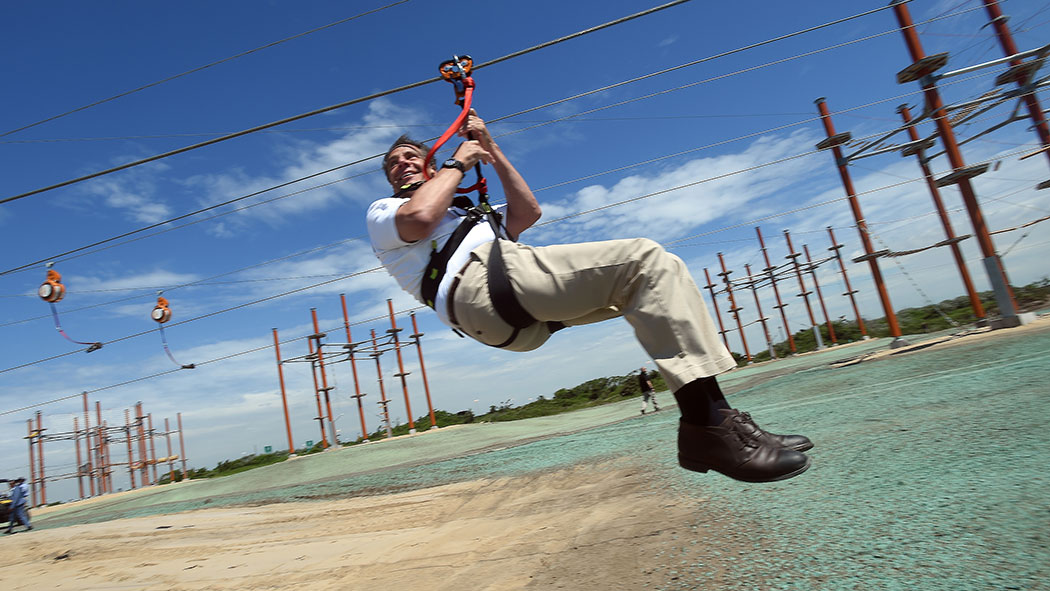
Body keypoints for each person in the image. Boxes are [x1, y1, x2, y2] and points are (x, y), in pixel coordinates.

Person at [366, 110, 814, 483]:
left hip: (509, 311)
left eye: (411, 156)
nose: (402, 163)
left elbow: (528, 212)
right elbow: (422, 216)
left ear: (429, 163)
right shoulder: (386, 212)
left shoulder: (468, 212)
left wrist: (490, 147)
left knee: (659, 275)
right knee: (644, 260)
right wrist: (460, 162)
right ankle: (708, 428)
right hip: (478, 286)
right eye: (393, 163)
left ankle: (719, 421)